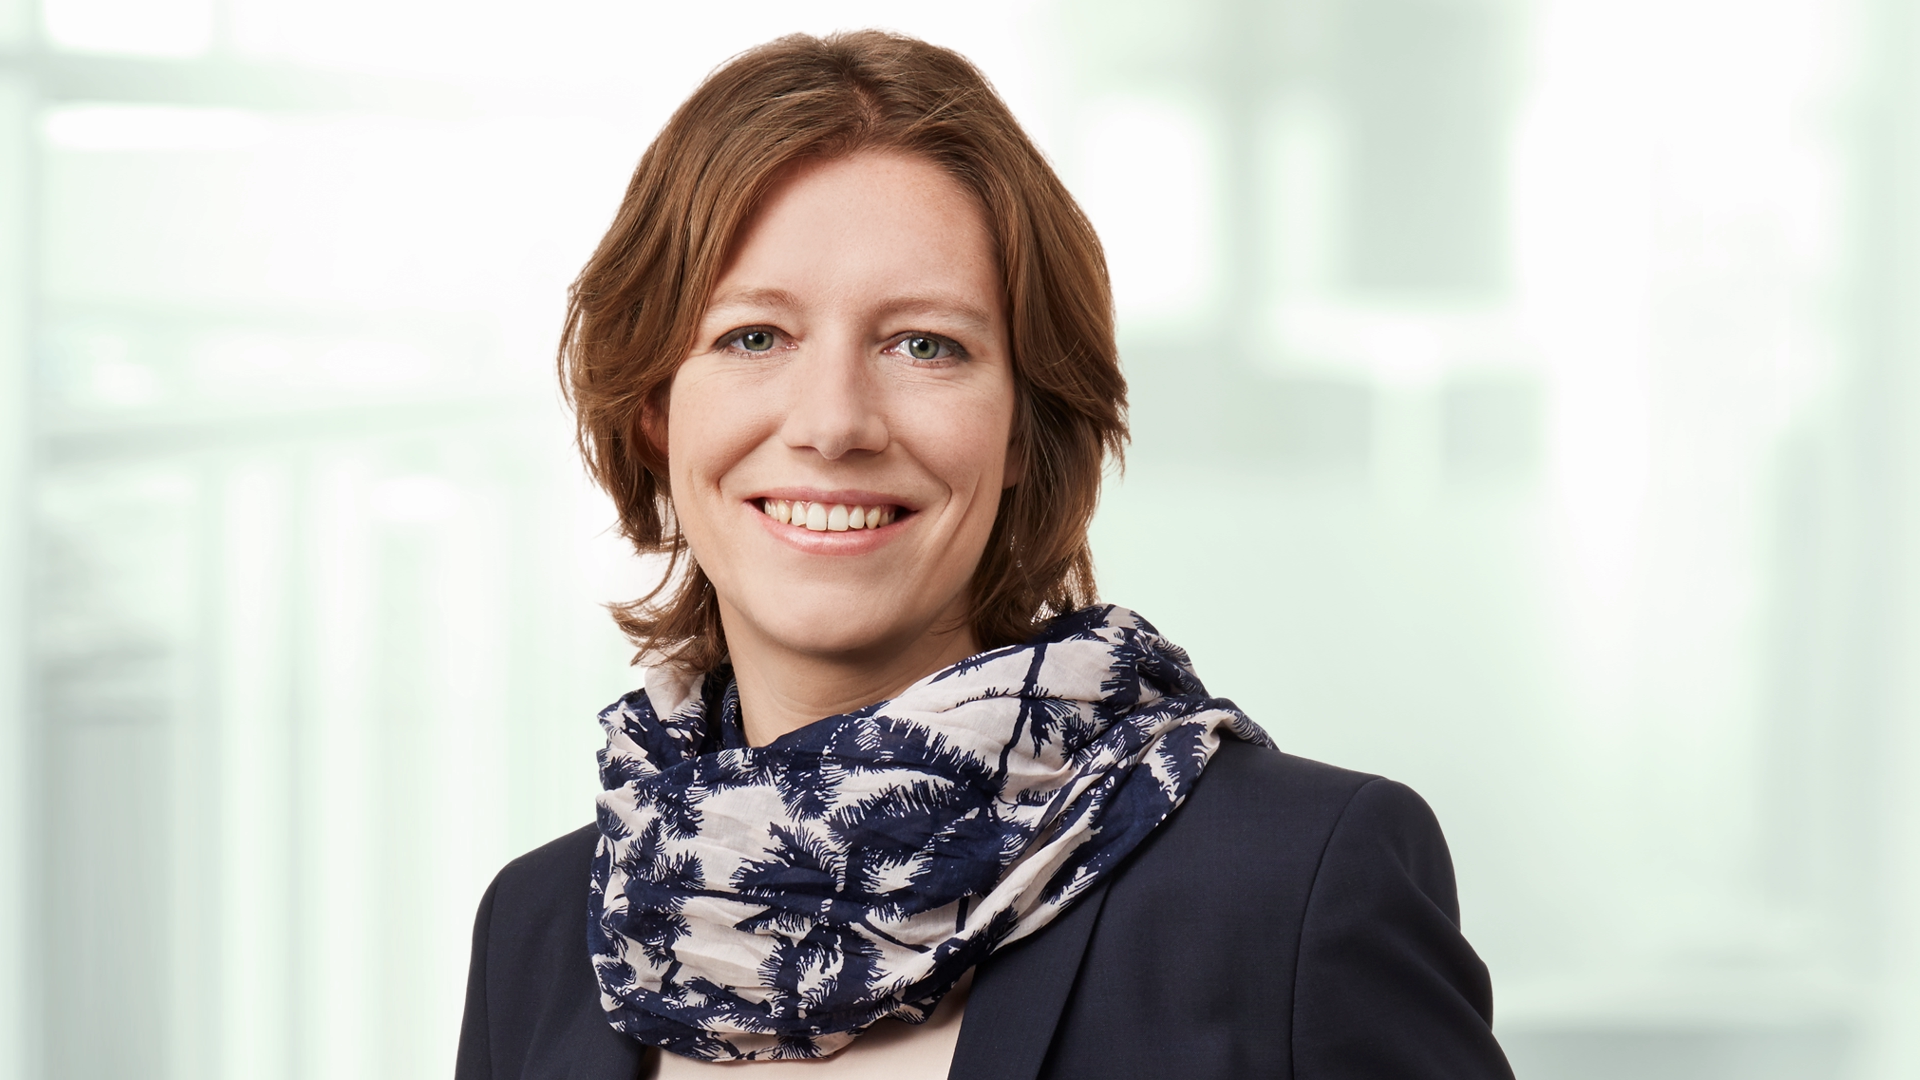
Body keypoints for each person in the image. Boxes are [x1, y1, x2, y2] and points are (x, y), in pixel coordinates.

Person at [455, 29, 1514, 1080]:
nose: (833, 423)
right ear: (654, 409)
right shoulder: (538, 938)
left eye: (925, 344)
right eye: (754, 337)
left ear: (1022, 427)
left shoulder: (1294, 884)